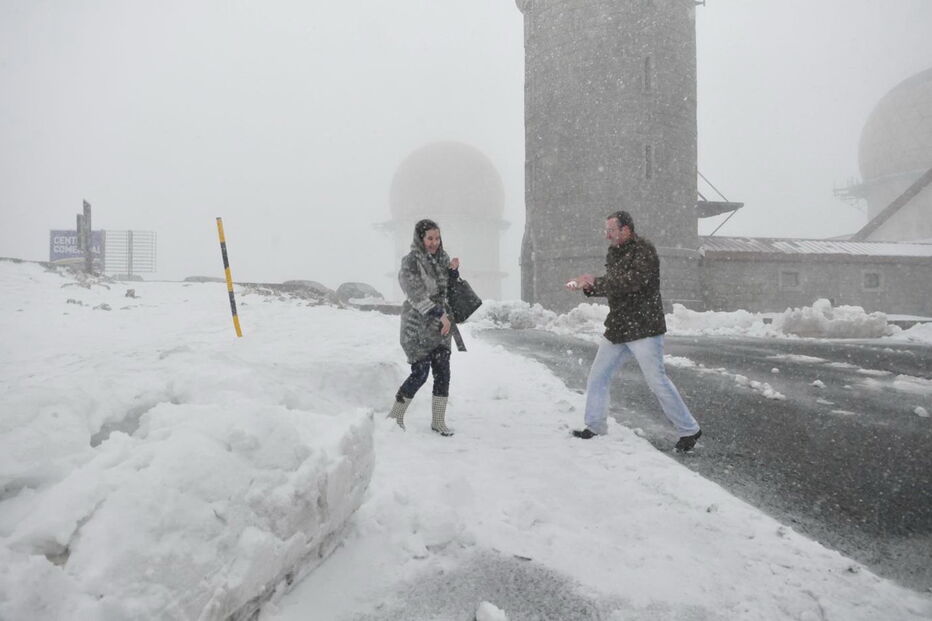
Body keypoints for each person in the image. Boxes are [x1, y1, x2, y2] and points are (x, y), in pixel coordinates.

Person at [567, 210, 702, 451]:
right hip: (618, 327)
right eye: (605, 231)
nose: (607, 235)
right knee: (598, 376)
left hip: (644, 327)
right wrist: (590, 285)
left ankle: (690, 430)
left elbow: (632, 282)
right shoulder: (615, 252)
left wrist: (598, 282)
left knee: (656, 380)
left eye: (611, 230)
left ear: (625, 230)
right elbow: (615, 283)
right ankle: (595, 426)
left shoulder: (644, 250)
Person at [386, 219, 460, 436]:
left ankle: (438, 421)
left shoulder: (443, 259)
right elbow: (416, 294)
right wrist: (440, 314)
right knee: (420, 373)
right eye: (429, 238)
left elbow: (449, 290)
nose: (434, 243)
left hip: (441, 326)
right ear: (420, 238)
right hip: (417, 325)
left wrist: (454, 272)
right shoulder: (410, 262)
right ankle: (395, 416)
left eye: (437, 238)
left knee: (443, 372)